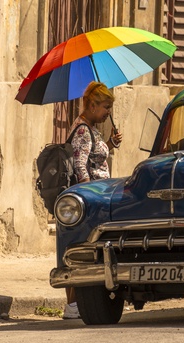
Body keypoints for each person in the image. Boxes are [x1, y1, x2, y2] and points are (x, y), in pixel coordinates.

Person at [63, 81, 123, 319]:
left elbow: (93, 157)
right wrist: (89, 197)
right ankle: (73, 305)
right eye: (106, 107)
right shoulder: (82, 130)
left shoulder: (90, 128)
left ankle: (76, 304)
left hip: (95, 196)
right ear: (91, 104)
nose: (108, 112)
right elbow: (80, 165)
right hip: (89, 200)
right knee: (81, 249)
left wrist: (111, 144)